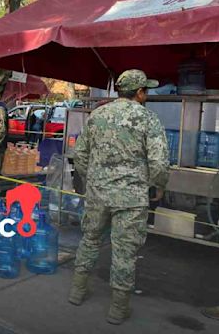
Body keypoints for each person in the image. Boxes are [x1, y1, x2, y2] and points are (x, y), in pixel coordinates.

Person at [68, 70, 170, 325]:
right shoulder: (148, 118)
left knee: (90, 239)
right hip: (131, 197)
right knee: (125, 251)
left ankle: (77, 291)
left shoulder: (98, 114)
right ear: (138, 92)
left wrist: (92, 179)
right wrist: (159, 185)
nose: (146, 94)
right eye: (145, 90)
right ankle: (118, 309)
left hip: (98, 192)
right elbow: (159, 161)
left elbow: (79, 154)